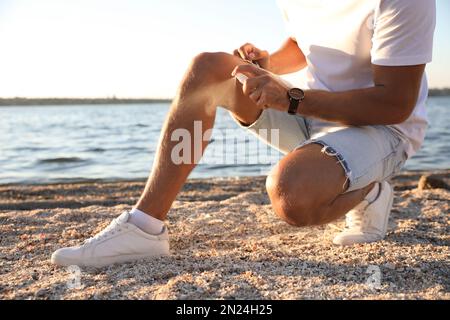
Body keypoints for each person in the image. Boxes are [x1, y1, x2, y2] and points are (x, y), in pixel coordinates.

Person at [51, 0, 436, 267]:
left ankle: (369, 188)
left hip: (382, 129)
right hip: (310, 112)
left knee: (292, 196)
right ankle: (144, 228)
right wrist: (270, 63)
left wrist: (293, 99)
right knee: (209, 68)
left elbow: (394, 103)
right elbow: (305, 42)